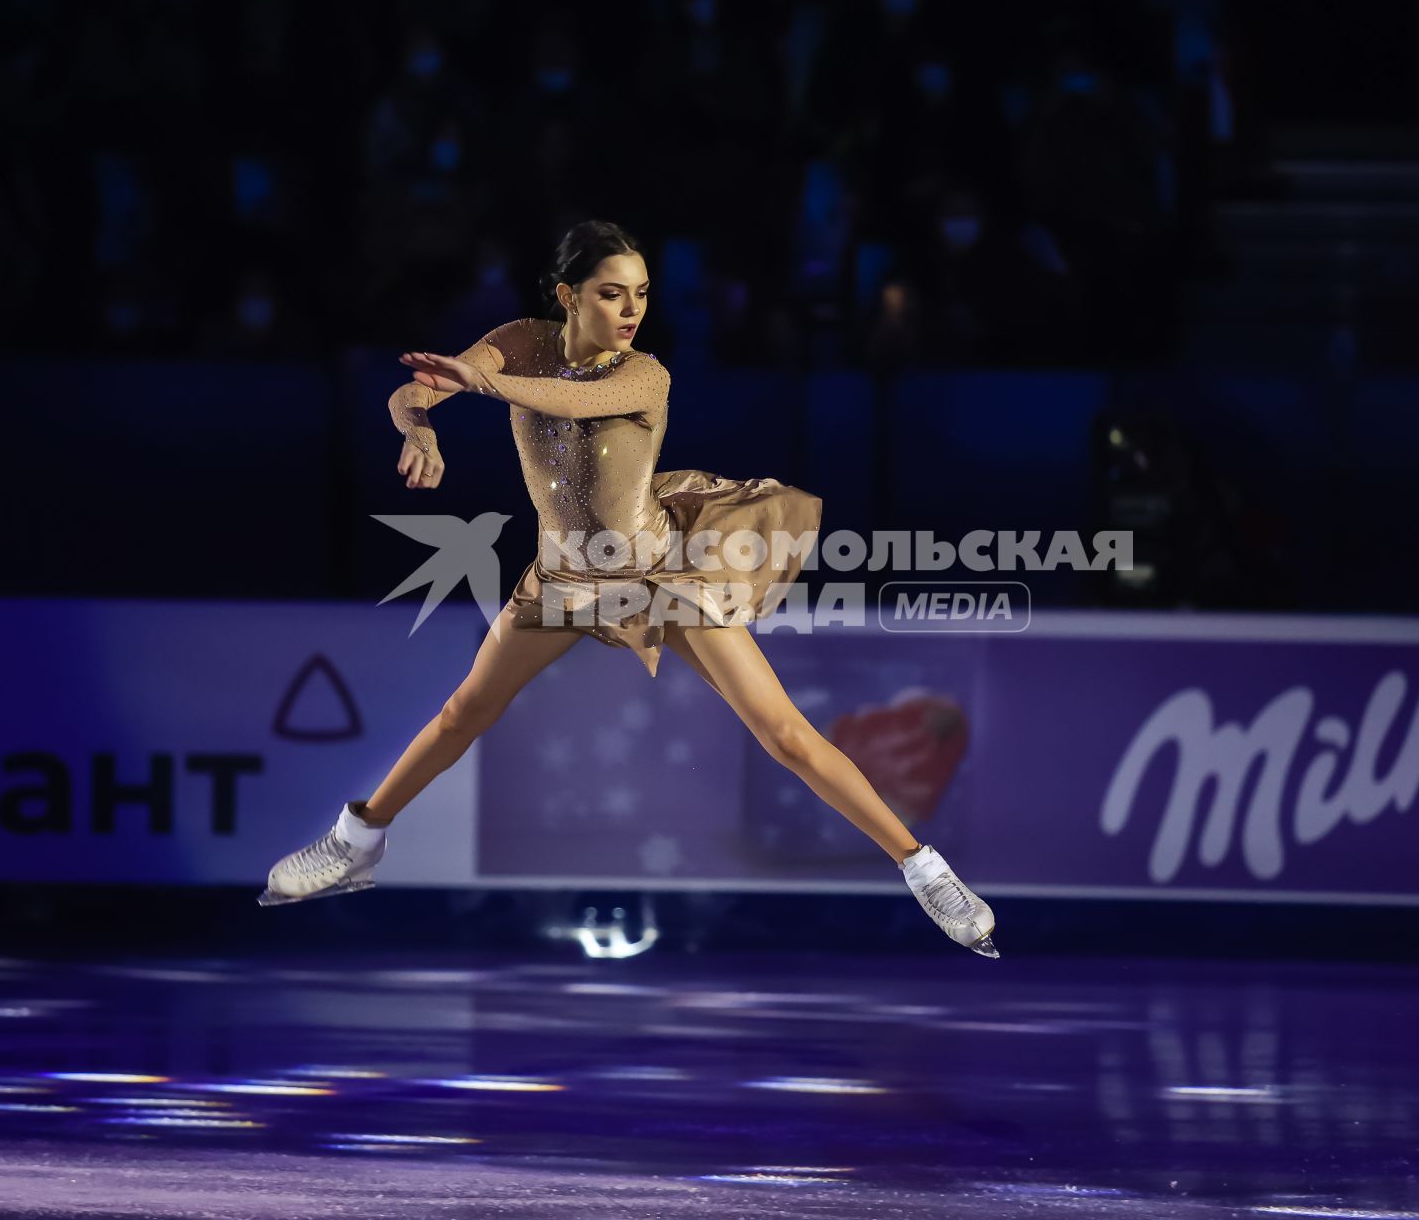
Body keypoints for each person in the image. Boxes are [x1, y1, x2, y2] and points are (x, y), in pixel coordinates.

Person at [259, 220, 998, 957]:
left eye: (641, 294)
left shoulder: (644, 375)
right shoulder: (520, 340)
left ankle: (924, 869)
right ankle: (357, 840)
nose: (631, 309)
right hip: (561, 578)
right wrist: (418, 426)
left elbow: (568, 404)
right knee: (461, 713)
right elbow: (411, 392)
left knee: (786, 736)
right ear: (567, 296)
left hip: (654, 576)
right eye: (612, 294)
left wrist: (482, 381)